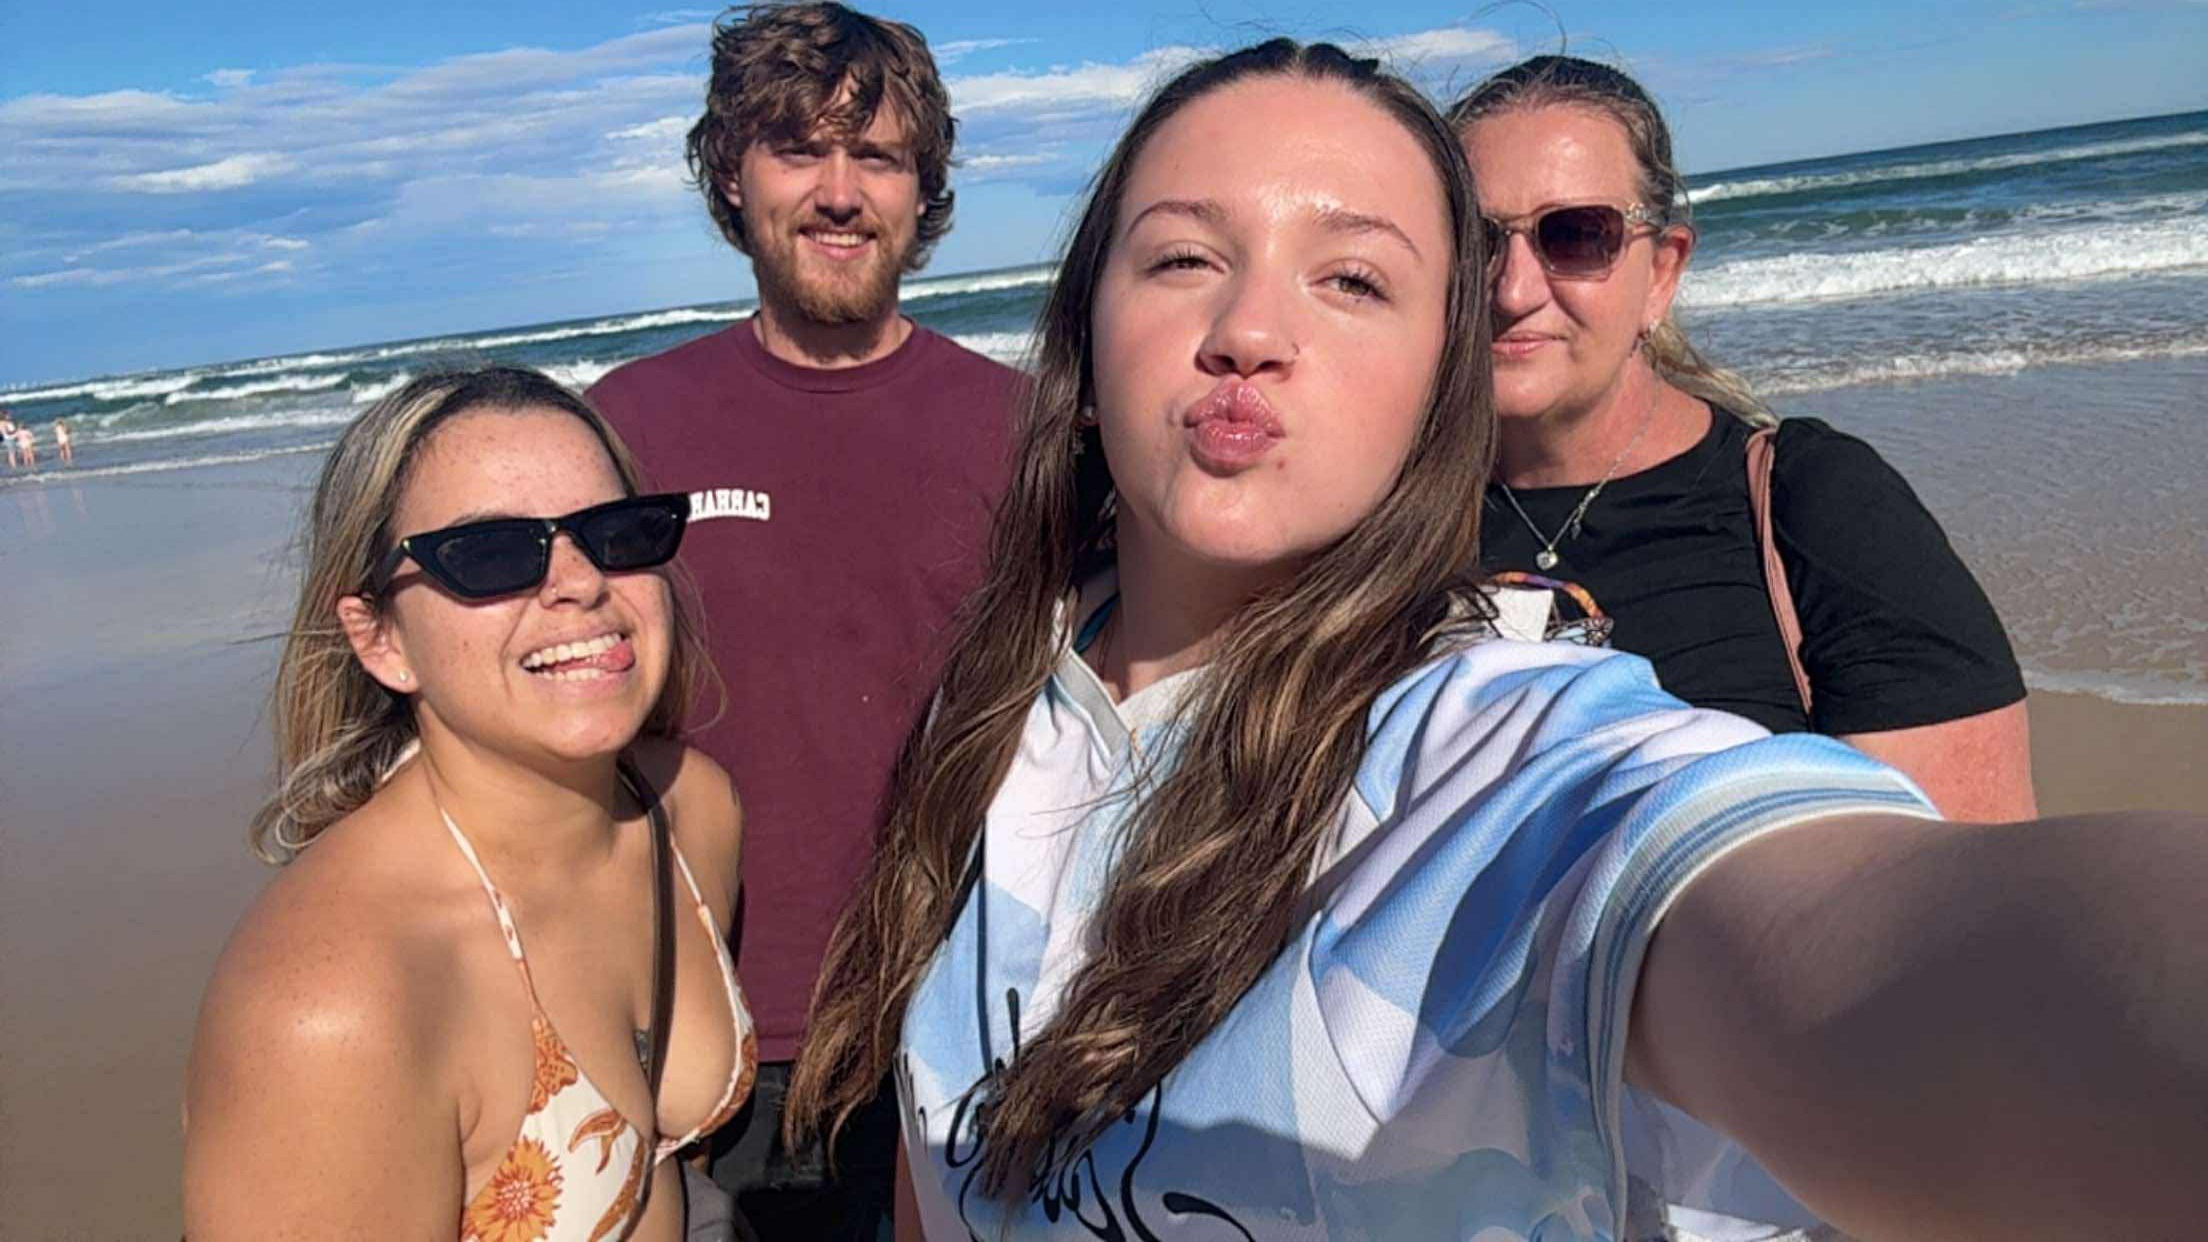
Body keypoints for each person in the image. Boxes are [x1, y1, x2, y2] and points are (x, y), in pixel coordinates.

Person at [782, 39, 2207, 1241]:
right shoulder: (995, 711)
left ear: (1438, 384)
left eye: (1354, 278)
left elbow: (1854, 936)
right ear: (1085, 340)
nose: (1250, 327)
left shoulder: (1497, 743)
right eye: (1184, 256)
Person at [585, 3, 1020, 1233]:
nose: (840, 192)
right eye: (798, 150)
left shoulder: (1027, 426)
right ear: (733, 174)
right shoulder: (631, 426)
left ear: (922, 188)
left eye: (876, 156)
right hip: (716, 1035)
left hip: (976, 1010)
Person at [184, 368, 758, 1240]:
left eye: (615, 533)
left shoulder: (690, 810)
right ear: (381, 639)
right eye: (491, 554)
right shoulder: (331, 1007)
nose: (580, 582)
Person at [1448, 57, 2033, 823]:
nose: (1514, 289)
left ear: (1662, 272)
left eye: (1578, 235)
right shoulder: (1379, 514)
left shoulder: (1819, 506)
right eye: (1475, 240)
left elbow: (1961, 869)